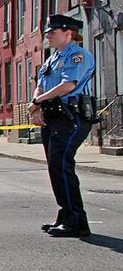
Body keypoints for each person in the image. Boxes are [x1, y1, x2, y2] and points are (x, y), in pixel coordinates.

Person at [28, 14, 96, 238]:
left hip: (71, 117)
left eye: (52, 32)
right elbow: (40, 85)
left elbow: (68, 86)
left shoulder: (77, 56)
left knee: (61, 164)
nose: (48, 36)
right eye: (47, 32)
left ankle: (77, 219)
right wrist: (36, 106)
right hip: (53, 116)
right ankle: (66, 214)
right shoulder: (52, 59)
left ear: (68, 32)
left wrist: (38, 102)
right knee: (55, 166)